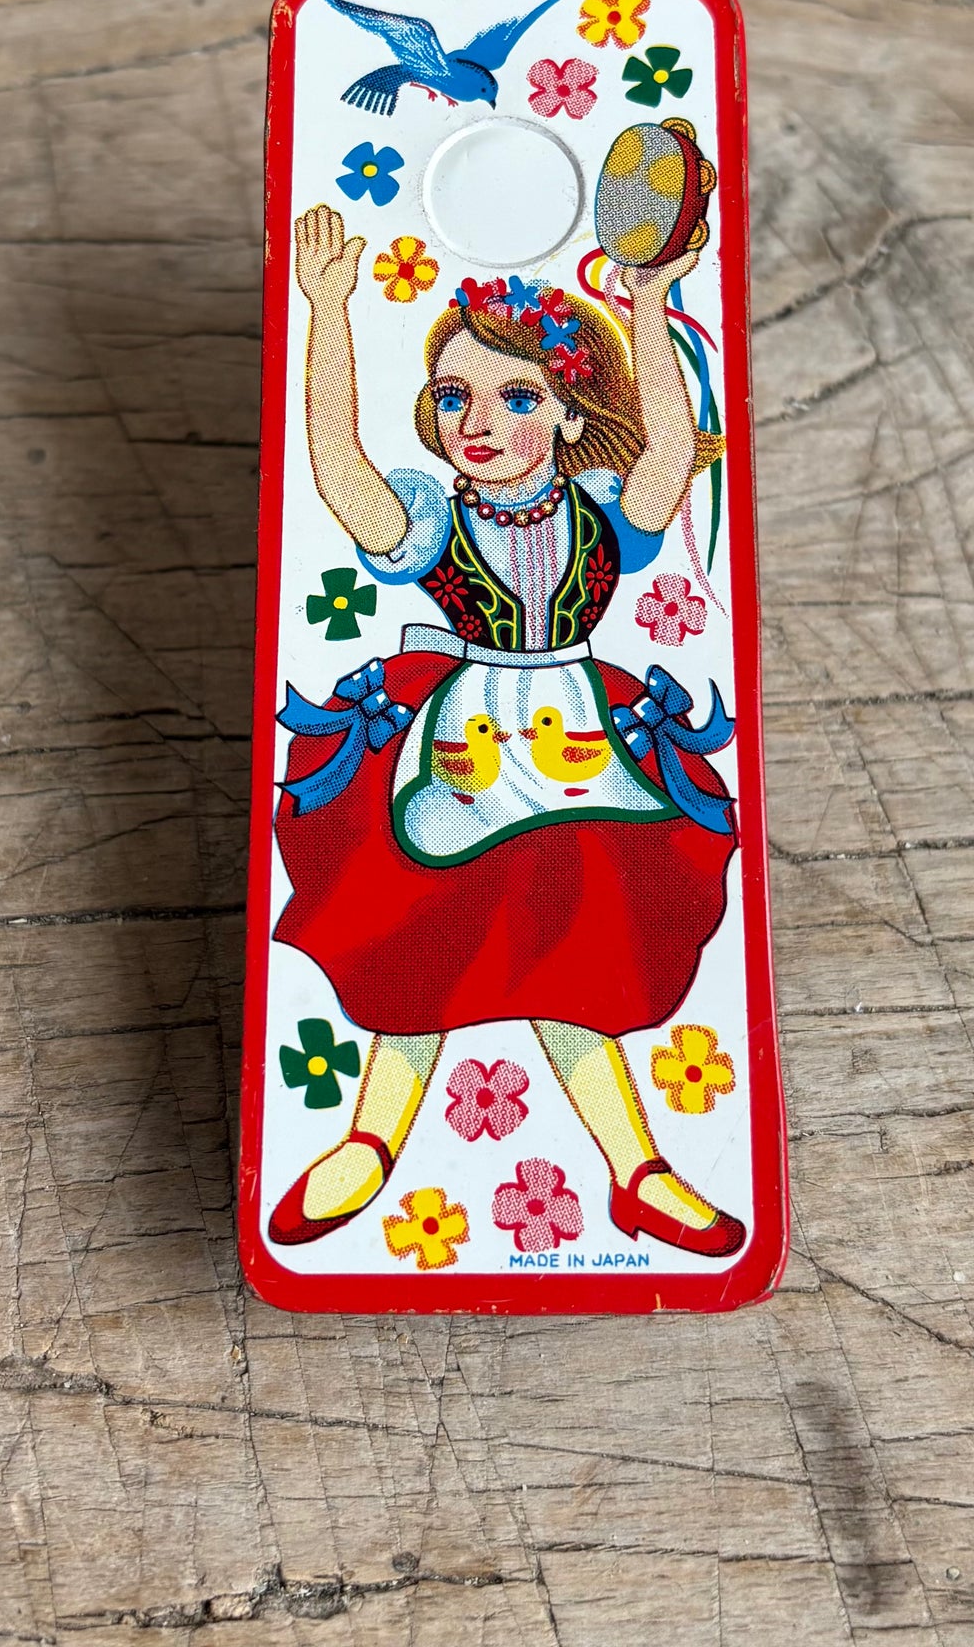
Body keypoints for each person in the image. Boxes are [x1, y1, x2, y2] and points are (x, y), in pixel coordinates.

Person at [268, 201, 744, 1257]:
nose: (475, 421)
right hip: (461, 746)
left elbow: (671, 447)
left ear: (570, 417)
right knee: (428, 936)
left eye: (515, 396)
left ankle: (637, 1171)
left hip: (578, 745)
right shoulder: (431, 520)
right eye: (454, 396)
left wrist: (651, 300)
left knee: (574, 951)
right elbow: (336, 466)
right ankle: (369, 1143)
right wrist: (326, 308)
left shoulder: (605, 515)